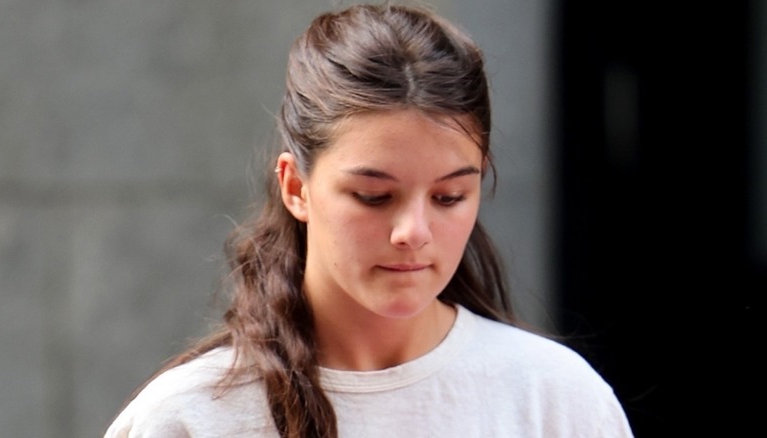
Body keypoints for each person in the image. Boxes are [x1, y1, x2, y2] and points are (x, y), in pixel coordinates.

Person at [104, 3, 634, 437]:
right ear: (296, 187)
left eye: (450, 196)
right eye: (374, 196)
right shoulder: (191, 419)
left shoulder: (555, 402)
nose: (413, 233)